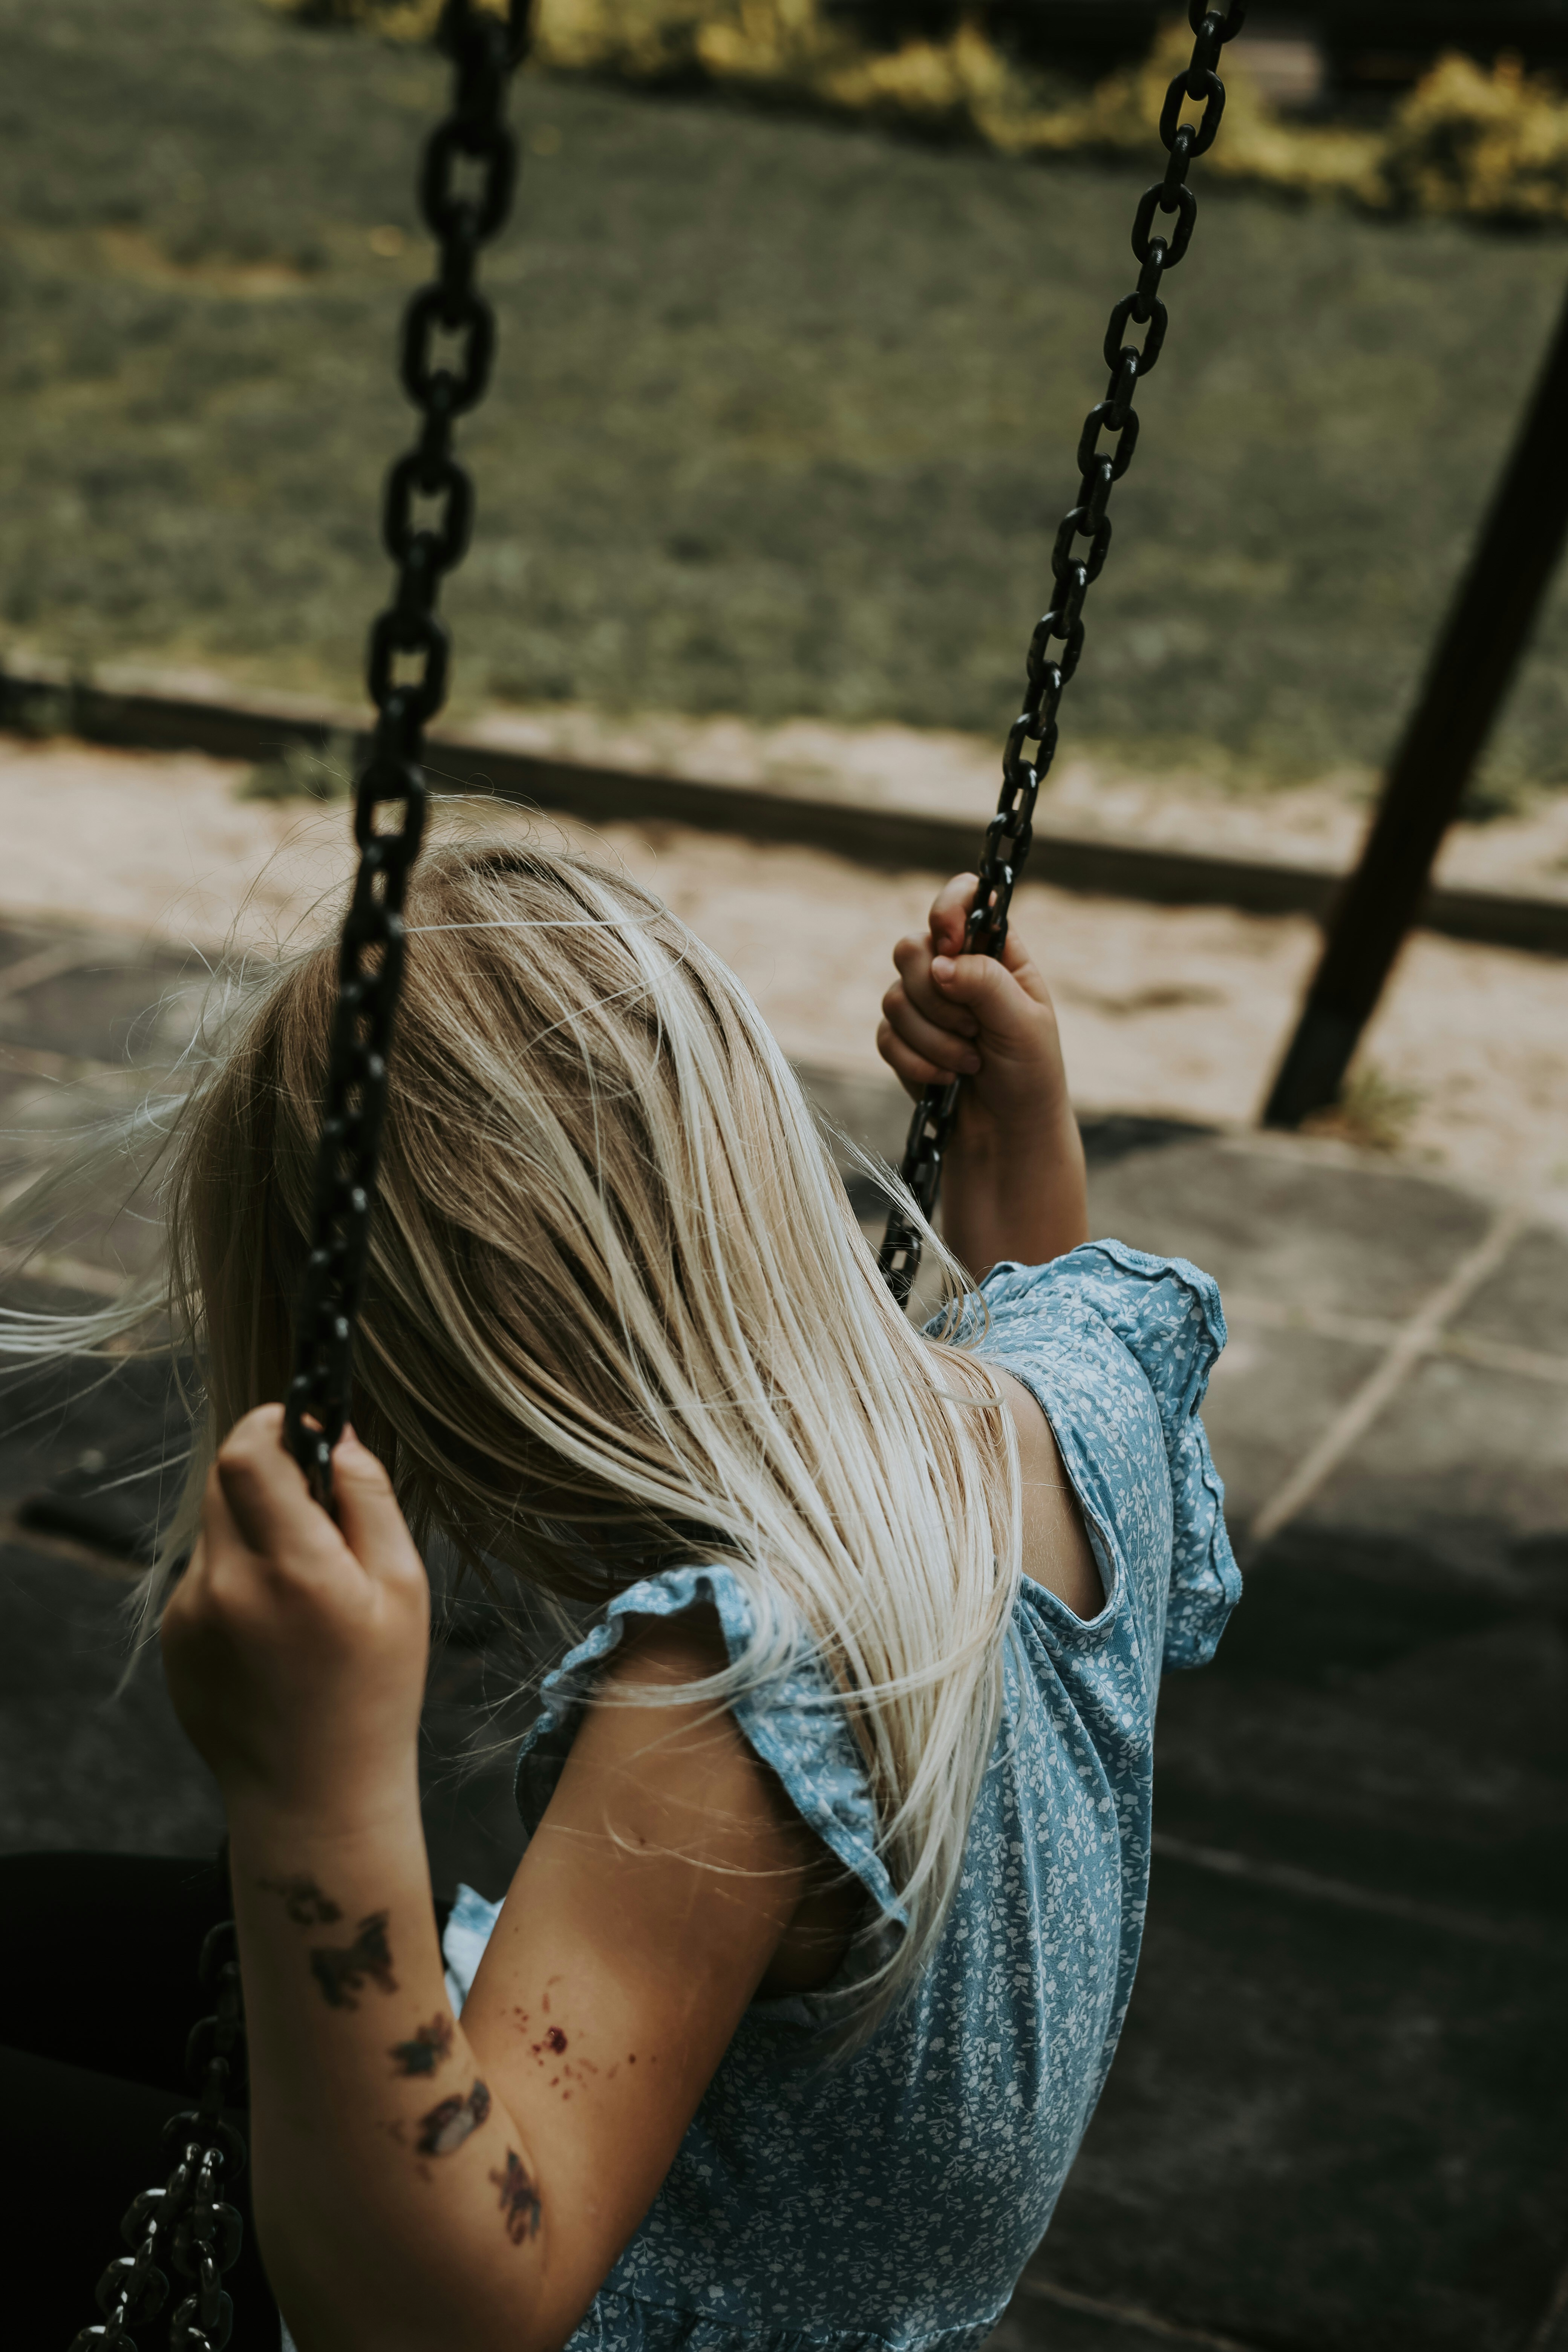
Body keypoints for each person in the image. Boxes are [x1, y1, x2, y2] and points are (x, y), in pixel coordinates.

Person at [2, 835, 1239, 2352]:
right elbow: (1040, 1306)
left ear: (460, 1391)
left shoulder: (728, 1709)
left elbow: (445, 2322)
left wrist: (312, 1798)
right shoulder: (1079, 1401)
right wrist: (1009, 1148)